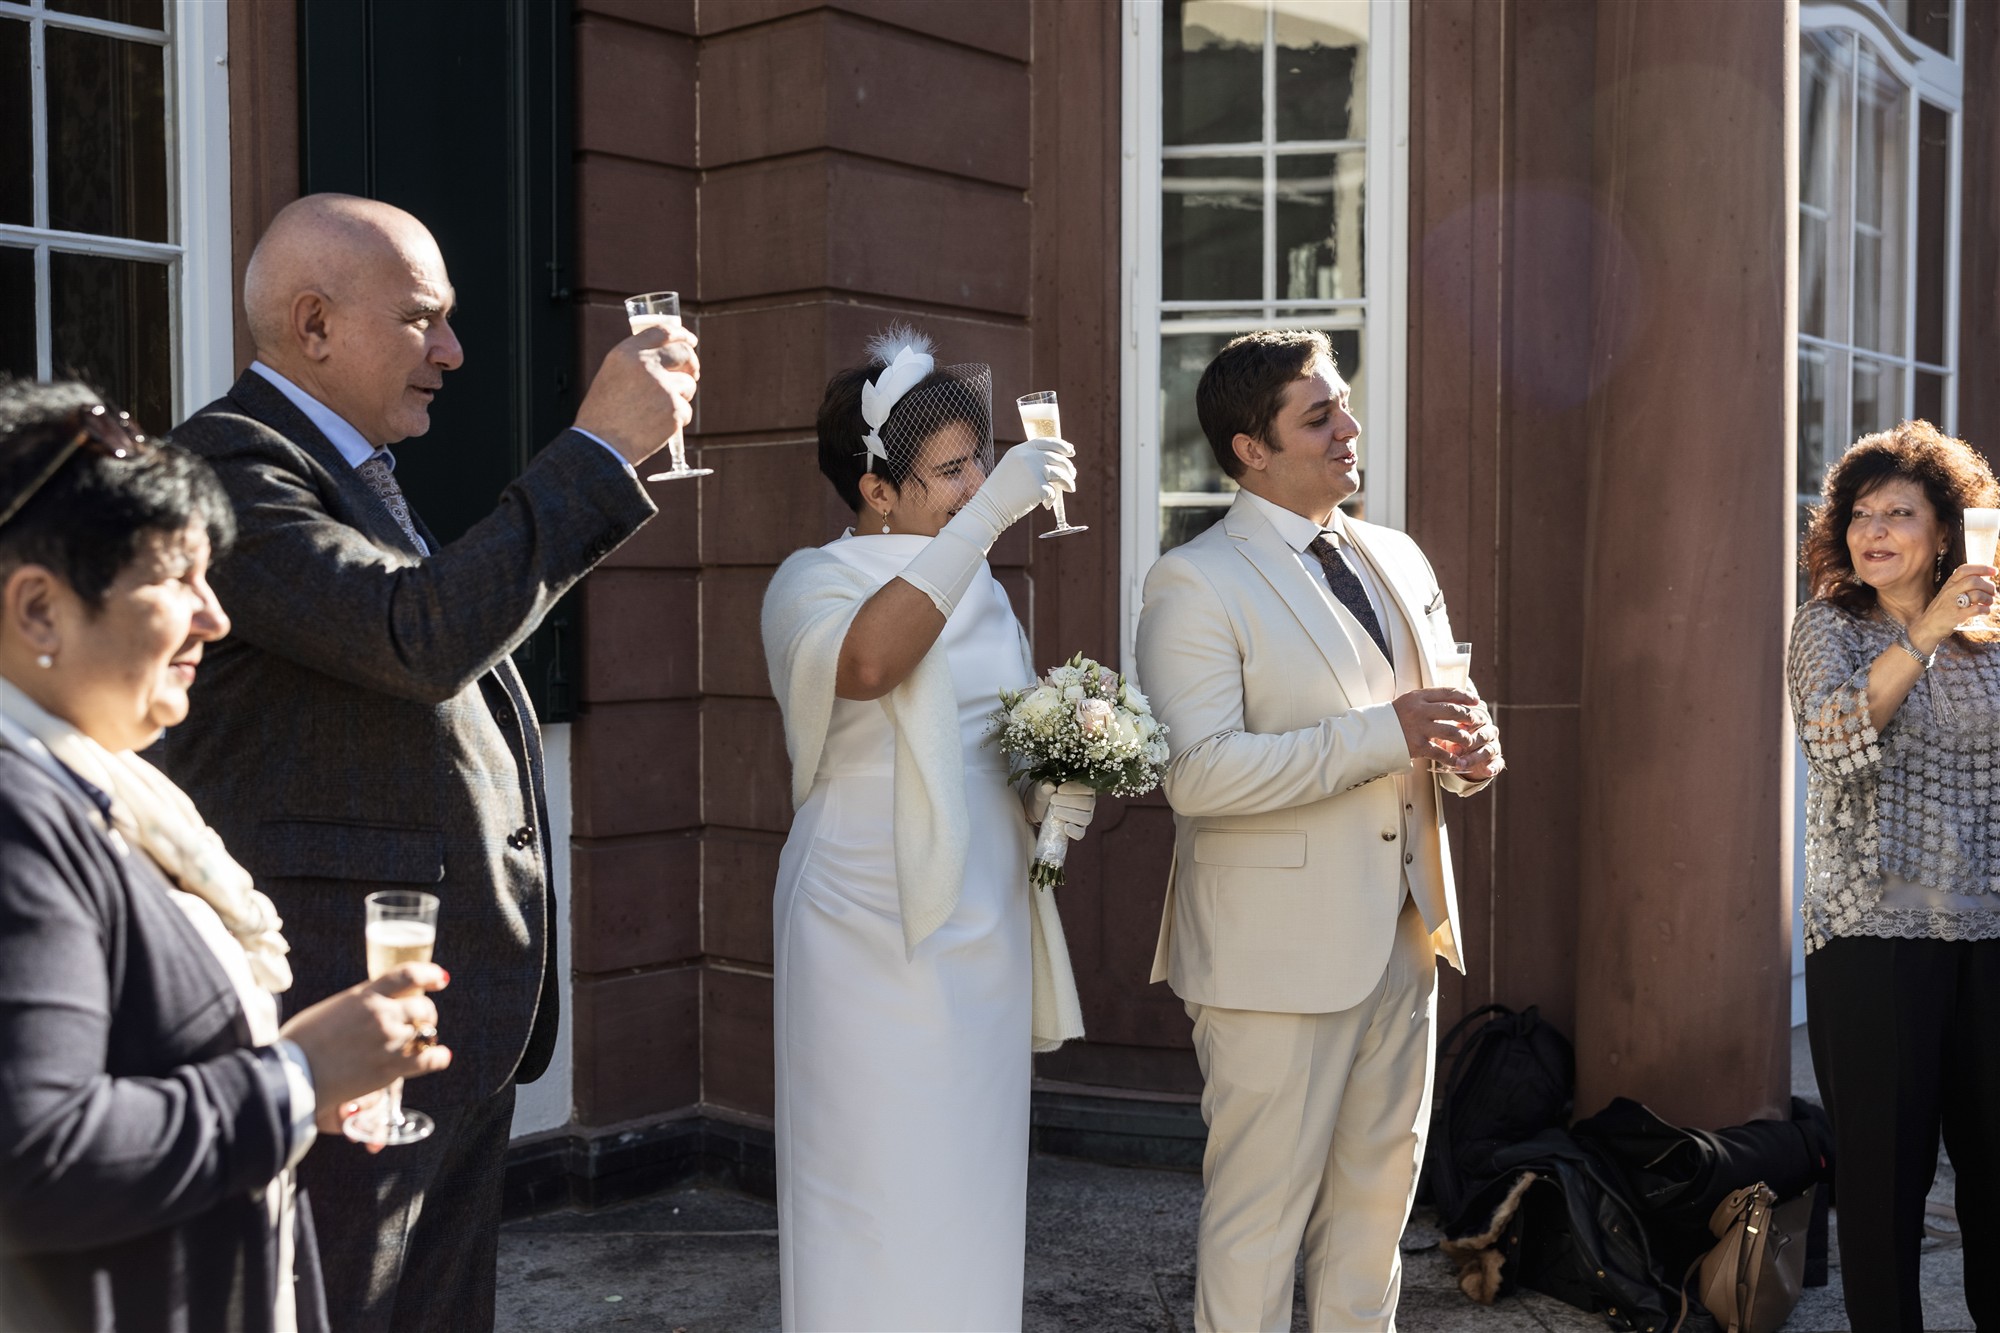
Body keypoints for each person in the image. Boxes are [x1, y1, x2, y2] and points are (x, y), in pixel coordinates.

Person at [150, 193, 697, 1331]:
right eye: (423, 320)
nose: (452, 352)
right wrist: (596, 452)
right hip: (336, 1010)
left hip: (441, 1011)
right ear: (312, 326)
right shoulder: (228, 466)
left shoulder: (345, 470)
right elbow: (416, 636)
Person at [0, 380, 451, 1332]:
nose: (214, 617)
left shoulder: (100, 787)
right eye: (176, 580)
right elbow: (33, 1158)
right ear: (39, 609)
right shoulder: (17, 816)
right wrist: (294, 1075)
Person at [1134, 329, 1504, 1331]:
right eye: (1318, 415)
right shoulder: (1192, 582)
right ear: (1249, 448)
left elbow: (1443, 696)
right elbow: (1196, 774)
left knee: (1373, 1222)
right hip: (1270, 961)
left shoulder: (1394, 552)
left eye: (1341, 404)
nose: (1348, 428)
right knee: (1258, 1226)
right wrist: (1381, 737)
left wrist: (1470, 754)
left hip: (1405, 936)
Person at [760, 328, 1092, 1331]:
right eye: (952, 469)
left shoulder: (979, 581)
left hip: (983, 909)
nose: (978, 481)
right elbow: (866, 667)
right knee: (869, 1169)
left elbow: (992, 731)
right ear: (875, 488)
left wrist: (1058, 781)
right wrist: (982, 521)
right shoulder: (807, 581)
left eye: (978, 463)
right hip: (863, 917)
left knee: (968, 1171)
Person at [1790, 419, 2000, 1331]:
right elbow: (1836, 741)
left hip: (1990, 938)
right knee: (1883, 1190)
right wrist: (1925, 632)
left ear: (1945, 529)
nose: (1872, 530)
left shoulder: (1992, 638)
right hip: (1872, 941)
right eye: (1860, 514)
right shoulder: (1826, 629)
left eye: (1899, 513)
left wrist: (1963, 620)